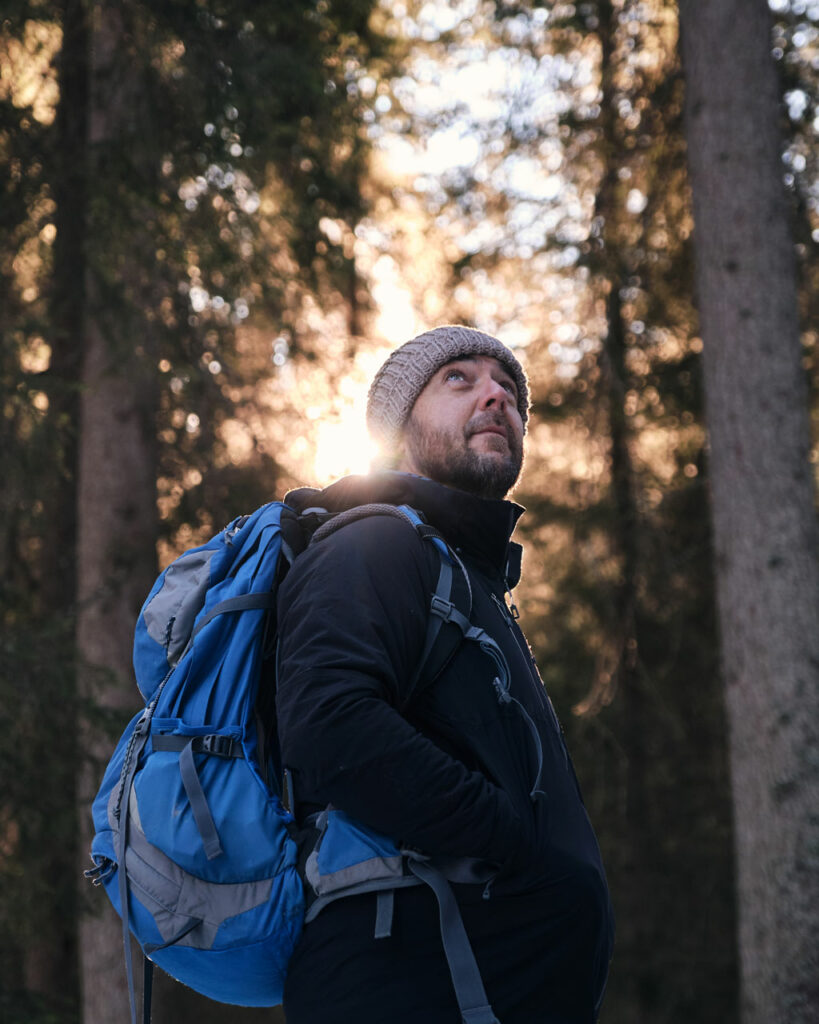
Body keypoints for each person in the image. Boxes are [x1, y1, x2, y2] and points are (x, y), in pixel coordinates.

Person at [275, 325, 614, 1024]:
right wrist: (508, 837)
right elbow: (328, 724)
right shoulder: (373, 540)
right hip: (410, 982)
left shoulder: (461, 576)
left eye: (509, 389)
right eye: (458, 379)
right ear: (399, 427)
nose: (495, 395)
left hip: (481, 983)